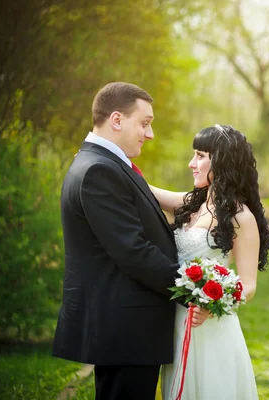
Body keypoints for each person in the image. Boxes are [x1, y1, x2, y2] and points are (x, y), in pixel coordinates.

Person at [52, 82, 209, 400]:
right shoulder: (99, 170)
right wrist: (196, 292)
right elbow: (133, 251)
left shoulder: (105, 164)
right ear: (116, 120)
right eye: (145, 123)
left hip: (126, 327)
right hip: (126, 328)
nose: (149, 134)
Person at [149, 124, 269, 399]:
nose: (192, 163)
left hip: (210, 326)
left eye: (200, 155)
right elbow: (146, 190)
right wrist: (113, 164)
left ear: (223, 161)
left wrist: (212, 303)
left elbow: (248, 285)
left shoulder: (242, 218)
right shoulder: (192, 204)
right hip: (177, 322)